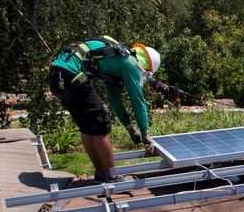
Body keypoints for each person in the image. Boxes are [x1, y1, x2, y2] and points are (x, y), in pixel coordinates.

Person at [49, 35, 161, 183]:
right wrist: (145, 134)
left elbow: (115, 101)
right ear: (146, 67)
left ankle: (101, 173)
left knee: (88, 128)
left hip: (57, 75)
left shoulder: (114, 60)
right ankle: (113, 176)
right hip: (73, 75)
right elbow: (137, 101)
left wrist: (130, 128)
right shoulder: (131, 64)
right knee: (102, 127)